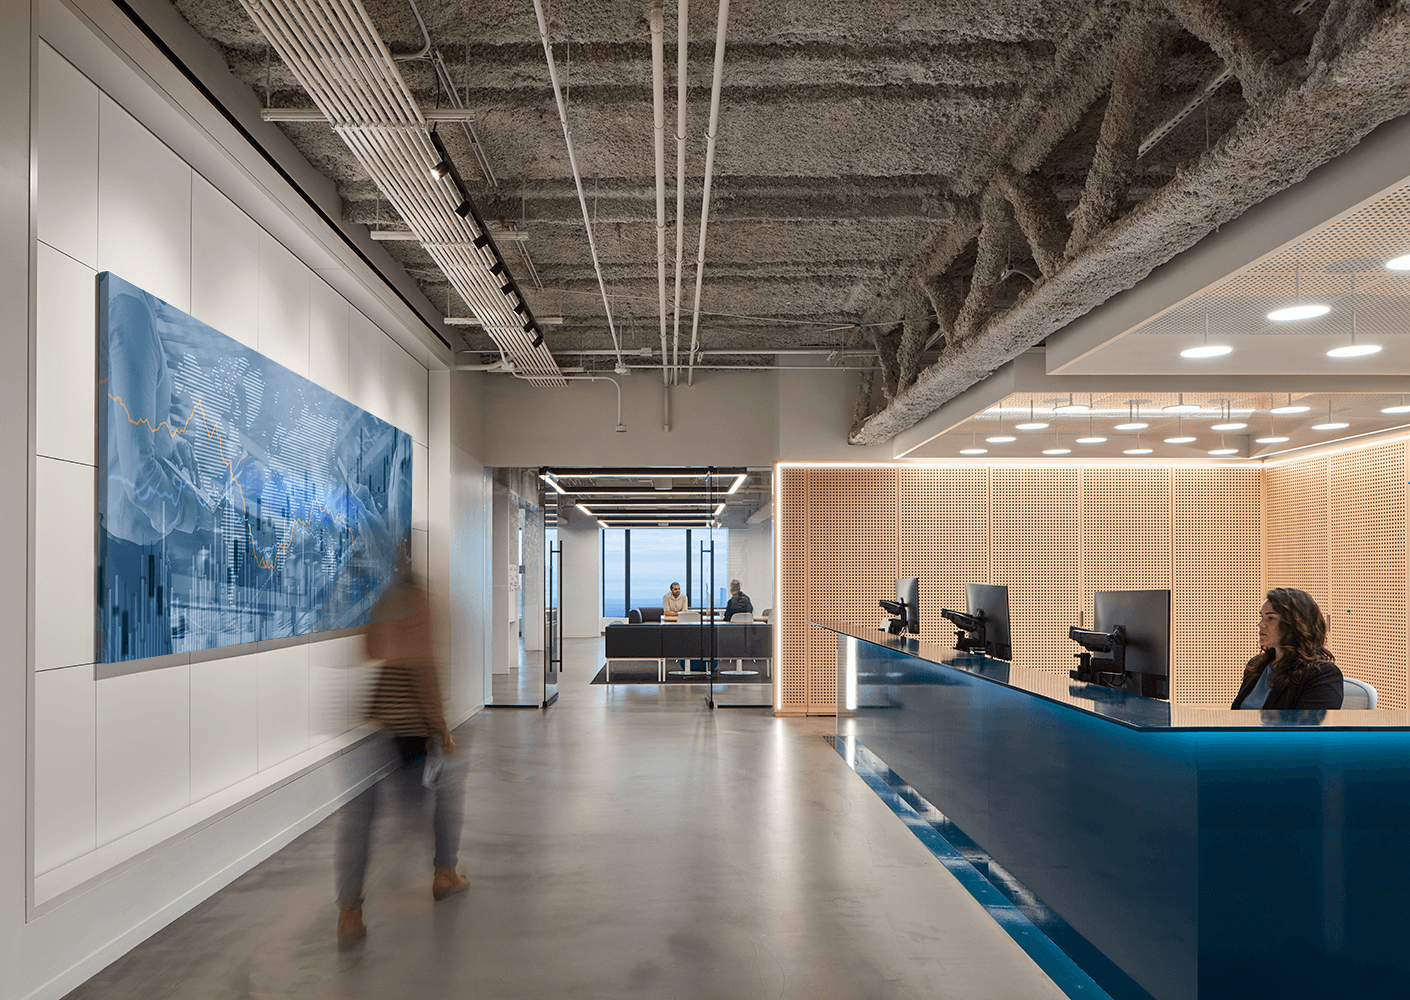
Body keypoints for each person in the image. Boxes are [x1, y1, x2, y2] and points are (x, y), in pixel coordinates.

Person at [335, 566, 468, 944]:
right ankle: (445, 873)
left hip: (376, 723)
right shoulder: (418, 602)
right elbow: (423, 669)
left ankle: (349, 913)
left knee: (358, 822)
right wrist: (440, 727)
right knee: (446, 792)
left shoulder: (383, 602)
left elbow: (368, 651)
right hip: (410, 729)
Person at [1231, 587, 1344, 710]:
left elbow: (1308, 727)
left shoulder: (1322, 674)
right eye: (1262, 617)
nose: (1261, 624)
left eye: (1271, 618)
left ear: (1295, 624)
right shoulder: (1257, 665)